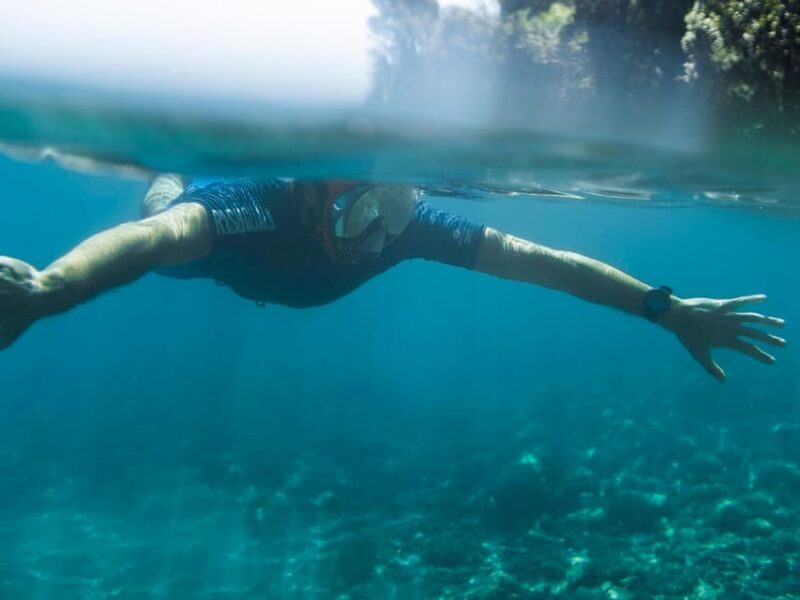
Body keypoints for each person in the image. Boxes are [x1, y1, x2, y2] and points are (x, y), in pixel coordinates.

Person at [0, 174, 786, 381]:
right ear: (314, 197)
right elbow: (151, 239)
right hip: (224, 262)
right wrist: (51, 290)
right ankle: (166, 172)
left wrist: (664, 307)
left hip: (272, 280)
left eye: (397, 210)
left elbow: (540, 263)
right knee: (164, 223)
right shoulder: (263, 206)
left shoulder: (409, 227)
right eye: (358, 214)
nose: (376, 236)